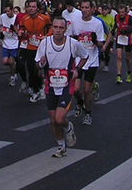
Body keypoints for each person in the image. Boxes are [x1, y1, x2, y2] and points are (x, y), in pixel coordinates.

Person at [35, 16, 88, 157]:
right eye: (55, 27)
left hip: (66, 85)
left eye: (61, 28)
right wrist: (41, 64)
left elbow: (85, 55)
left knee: (59, 118)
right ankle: (61, 146)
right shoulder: (45, 43)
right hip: (50, 85)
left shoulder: (72, 44)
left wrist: (77, 70)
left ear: (65, 29)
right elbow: (38, 64)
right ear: (51, 27)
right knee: (52, 120)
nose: (57, 31)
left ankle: (68, 127)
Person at [67, 0, 105, 125]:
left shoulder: (97, 24)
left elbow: (101, 44)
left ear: (92, 9)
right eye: (82, 7)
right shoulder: (76, 22)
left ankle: (88, 113)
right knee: (76, 89)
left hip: (92, 60)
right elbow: (70, 38)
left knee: (87, 89)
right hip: (78, 59)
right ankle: (80, 102)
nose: (84, 10)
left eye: (86, 7)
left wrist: (95, 41)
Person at [18, 0, 52, 102]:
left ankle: (37, 89)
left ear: (37, 8)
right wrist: (21, 32)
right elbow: (22, 28)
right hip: (29, 46)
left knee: (36, 69)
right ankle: (36, 87)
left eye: (33, 7)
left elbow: (51, 29)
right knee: (29, 68)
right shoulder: (25, 18)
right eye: (29, 7)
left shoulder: (44, 18)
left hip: (40, 47)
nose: (31, 9)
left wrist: (46, 36)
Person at [113, 4, 132, 84]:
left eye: (123, 12)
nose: (121, 14)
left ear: (125, 12)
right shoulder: (116, 17)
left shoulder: (129, 18)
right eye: (120, 12)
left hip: (128, 38)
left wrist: (126, 31)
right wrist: (114, 30)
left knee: (127, 57)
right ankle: (118, 75)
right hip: (119, 37)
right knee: (119, 56)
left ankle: (129, 72)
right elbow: (116, 25)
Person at [0, 3, 19, 86]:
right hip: (5, 43)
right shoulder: (2, 17)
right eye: (6, 11)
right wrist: (1, 33)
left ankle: (13, 76)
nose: (7, 13)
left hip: (14, 43)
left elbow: (19, 32)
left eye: (8, 11)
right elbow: (0, 25)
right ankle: (14, 67)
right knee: (5, 61)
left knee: (11, 61)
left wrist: (14, 30)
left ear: (12, 10)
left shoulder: (16, 18)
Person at [14, 1, 30, 93]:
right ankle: (24, 80)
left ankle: (35, 86)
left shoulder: (37, 18)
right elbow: (15, 25)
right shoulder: (20, 16)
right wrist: (17, 32)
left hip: (32, 45)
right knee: (20, 63)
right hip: (22, 43)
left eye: (31, 7)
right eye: (27, 7)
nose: (29, 9)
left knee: (32, 66)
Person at [97, 5, 114, 72]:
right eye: (103, 10)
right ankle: (101, 60)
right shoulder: (98, 17)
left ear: (108, 11)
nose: (104, 11)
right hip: (100, 37)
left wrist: (112, 32)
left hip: (107, 38)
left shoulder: (110, 18)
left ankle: (106, 65)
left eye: (105, 10)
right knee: (100, 52)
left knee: (107, 52)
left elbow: (113, 26)